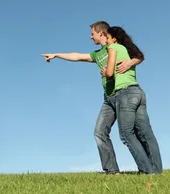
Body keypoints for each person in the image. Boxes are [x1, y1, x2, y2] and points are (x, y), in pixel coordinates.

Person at [40, 21, 144, 174]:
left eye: (92, 34)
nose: (91, 37)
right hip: (108, 98)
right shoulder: (97, 54)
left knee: (131, 133)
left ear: (101, 33)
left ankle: (147, 168)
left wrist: (130, 62)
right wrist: (57, 55)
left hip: (123, 93)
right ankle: (112, 171)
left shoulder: (116, 45)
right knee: (99, 131)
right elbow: (76, 56)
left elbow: (138, 56)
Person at [103, 26, 163, 174]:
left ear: (114, 39)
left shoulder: (114, 48)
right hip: (137, 92)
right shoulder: (126, 49)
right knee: (146, 133)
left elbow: (110, 73)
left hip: (125, 94)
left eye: (108, 38)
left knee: (126, 134)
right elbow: (140, 56)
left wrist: (105, 72)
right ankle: (156, 171)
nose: (107, 41)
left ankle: (146, 171)